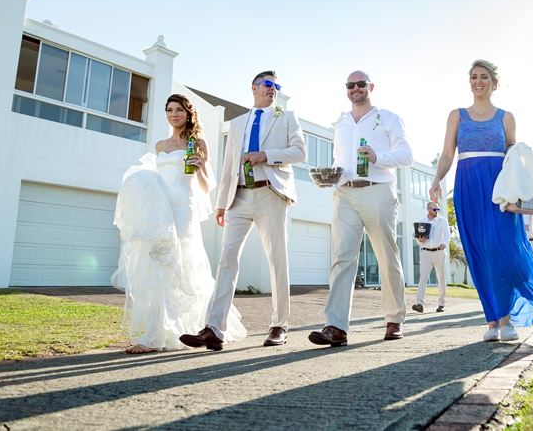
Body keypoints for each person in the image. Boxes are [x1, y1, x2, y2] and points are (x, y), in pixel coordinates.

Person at [429, 59, 533, 342]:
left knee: (502, 249)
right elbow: (448, 154)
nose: (479, 81)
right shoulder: (457, 115)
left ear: (494, 83)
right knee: (478, 252)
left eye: (484, 77)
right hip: (467, 186)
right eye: (474, 77)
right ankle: (491, 323)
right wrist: (437, 179)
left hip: (497, 189)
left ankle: (506, 319)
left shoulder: (506, 117)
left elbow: (513, 156)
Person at [180, 71, 307, 349]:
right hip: (238, 197)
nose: (274, 89)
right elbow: (228, 165)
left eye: (277, 86)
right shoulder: (237, 123)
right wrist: (222, 203)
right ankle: (214, 329)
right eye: (269, 85)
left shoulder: (286, 117)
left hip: (270, 192)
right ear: (254, 88)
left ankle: (279, 326)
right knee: (227, 259)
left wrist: (266, 155)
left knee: (277, 261)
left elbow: (300, 152)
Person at [112, 94, 246, 354]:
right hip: (160, 209)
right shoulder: (160, 145)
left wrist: (199, 169)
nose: (174, 114)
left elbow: (207, 186)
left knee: (181, 265)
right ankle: (157, 332)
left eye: (179, 110)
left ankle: (171, 333)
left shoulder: (197, 142)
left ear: (188, 113)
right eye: (170, 110)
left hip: (183, 208)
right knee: (157, 265)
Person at [308, 71, 413, 347]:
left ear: (370, 87)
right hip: (345, 193)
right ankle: (336, 326)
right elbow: (339, 160)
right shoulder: (341, 123)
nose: (355, 89)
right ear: (346, 89)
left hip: (378, 190)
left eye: (360, 84)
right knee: (341, 258)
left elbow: (407, 154)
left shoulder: (388, 117)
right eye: (350, 85)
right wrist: (330, 178)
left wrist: (379, 157)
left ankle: (394, 319)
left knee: (386, 256)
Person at [412, 201, 451, 313]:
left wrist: (444, 243)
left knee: (440, 278)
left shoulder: (442, 220)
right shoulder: (422, 222)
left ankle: (441, 303)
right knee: (423, 277)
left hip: (439, 252)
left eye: (438, 209)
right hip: (425, 253)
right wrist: (419, 241)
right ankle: (419, 303)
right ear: (429, 209)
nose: (436, 211)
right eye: (435, 209)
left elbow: (447, 234)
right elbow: (418, 238)